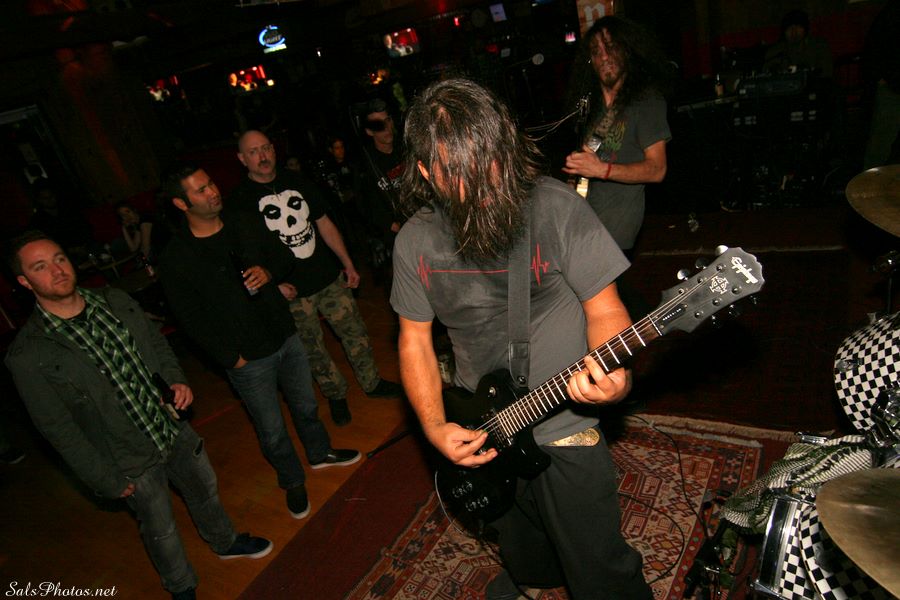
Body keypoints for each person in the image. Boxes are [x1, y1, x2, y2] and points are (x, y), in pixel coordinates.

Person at [391, 78, 651, 599]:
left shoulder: (554, 207)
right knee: (524, 547)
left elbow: (604, 308)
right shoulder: (414, 241)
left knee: (599, 568)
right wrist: (435, 425)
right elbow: (414, 340)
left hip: (564, 418)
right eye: (457, 172)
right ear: (426, 172)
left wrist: (615, 374)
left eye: (488, 163)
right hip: (484, 420)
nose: (480, 184)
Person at [4, 230, 272, 600]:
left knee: (205, 492)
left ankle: (225, 541)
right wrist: (104, 478)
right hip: (126, 456)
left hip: (170, 427)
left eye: (59, 258)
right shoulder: (28, 355)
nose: (57, 270)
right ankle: (181, 586)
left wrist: (176, 381)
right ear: (24, 281)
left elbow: (157, 344)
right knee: (160, 529)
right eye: (40, 267)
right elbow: (57, 429)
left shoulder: (114, 300)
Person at [157, 164, 361, 519]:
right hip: (247, 358)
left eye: (211, 183)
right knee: (271, 430)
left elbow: (283, 255)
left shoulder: (243, 222)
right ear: (181, 203)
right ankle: (292, 480)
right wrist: (230, 357)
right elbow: (190, 319)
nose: (213, 192)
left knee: (306, 406)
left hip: (284, 334)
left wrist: (268, 272)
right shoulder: (177, 257)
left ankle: (319, 453)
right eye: (201, 190)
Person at [230, 130, 403, 427]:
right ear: (242, 159)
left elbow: (323, 222)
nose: (262, 156)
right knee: (313, 349)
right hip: (291, 291)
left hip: (327, 277)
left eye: (266, 148)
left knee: (355, 332)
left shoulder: (297, 181)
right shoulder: (240, 201)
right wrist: (273, 285)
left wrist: (347, 263)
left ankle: (372, 382)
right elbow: (244, 254)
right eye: (254, 151)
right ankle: (335, 395)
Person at [563, 16, 671, 254]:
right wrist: (573, 181)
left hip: (614, 239)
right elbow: (585, 168)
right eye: (596, 51)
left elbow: (657, 169)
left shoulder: (646, 101)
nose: (604, 57)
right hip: (583, 231)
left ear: (626, 50)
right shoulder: (591, 108)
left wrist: (602, 170)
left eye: (610, 47)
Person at [358, 98, 405, 266]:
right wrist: (390, 224)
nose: (386, 128)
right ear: (369, 131)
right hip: (398, 237)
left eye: (387, 120)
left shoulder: (405, 149)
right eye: (378, 125)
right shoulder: (366, 164)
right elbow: (366, 205)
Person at [763, 9, 833, 79]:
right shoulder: (776, 51)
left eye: (798, 26)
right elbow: (766, 74)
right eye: (789, 28)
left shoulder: (818, 46)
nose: (794, 31)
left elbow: (826, 72)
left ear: (805, 29)